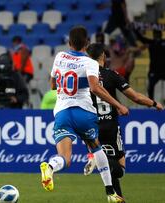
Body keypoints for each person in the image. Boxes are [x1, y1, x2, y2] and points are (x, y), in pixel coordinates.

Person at [39, 26, 128, 203]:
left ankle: (49, 167)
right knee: (96, 148)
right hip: (84, 113)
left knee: (65, 158)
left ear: (69, 43)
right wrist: (118, 104)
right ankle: (110, 192)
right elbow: (95, 88)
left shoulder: (60, 57)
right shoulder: (90, 63)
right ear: (86, 44)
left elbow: (52, 85)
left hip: (63, 112)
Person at [83, 43, 164, 199]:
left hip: (91, 127)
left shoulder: (83, 77)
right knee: (119, 169)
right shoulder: (111, 74)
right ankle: (117, 196)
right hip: (110, 125)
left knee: (107, 170)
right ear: (103, 56)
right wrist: (154, 103)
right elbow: (135, 97)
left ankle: (97, 160)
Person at [134, 29, 165, 99]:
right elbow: (140, 38)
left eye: (158, 33)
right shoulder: (151, 42)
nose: (157, 35)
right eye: (155, 34)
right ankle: (151, 103)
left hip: (164, 69)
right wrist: (134, 29)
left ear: (161, 34)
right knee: (150, 86)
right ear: (153, 35)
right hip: (154, 70)